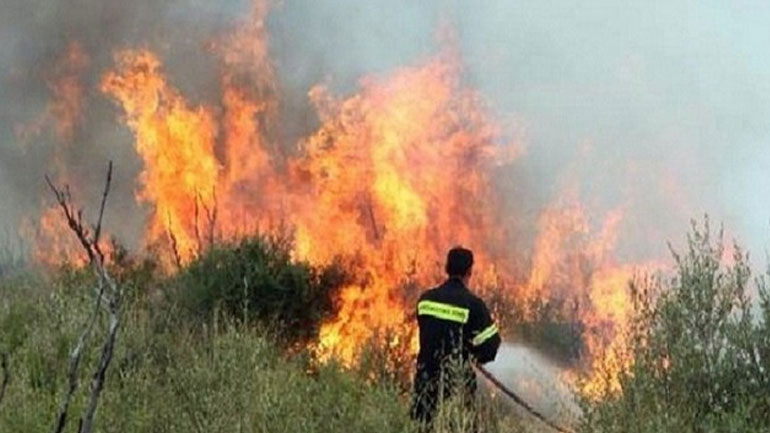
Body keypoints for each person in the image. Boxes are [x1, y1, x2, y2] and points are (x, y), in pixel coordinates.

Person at [411, 246, 501, 427]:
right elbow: (491, 346)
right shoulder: (473, 305)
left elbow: (430, 331)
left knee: (424, 427)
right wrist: (473, 353)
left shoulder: (425, 300)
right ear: (470, 271)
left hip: (425, 383)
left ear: (447, 268)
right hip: (456, 386)